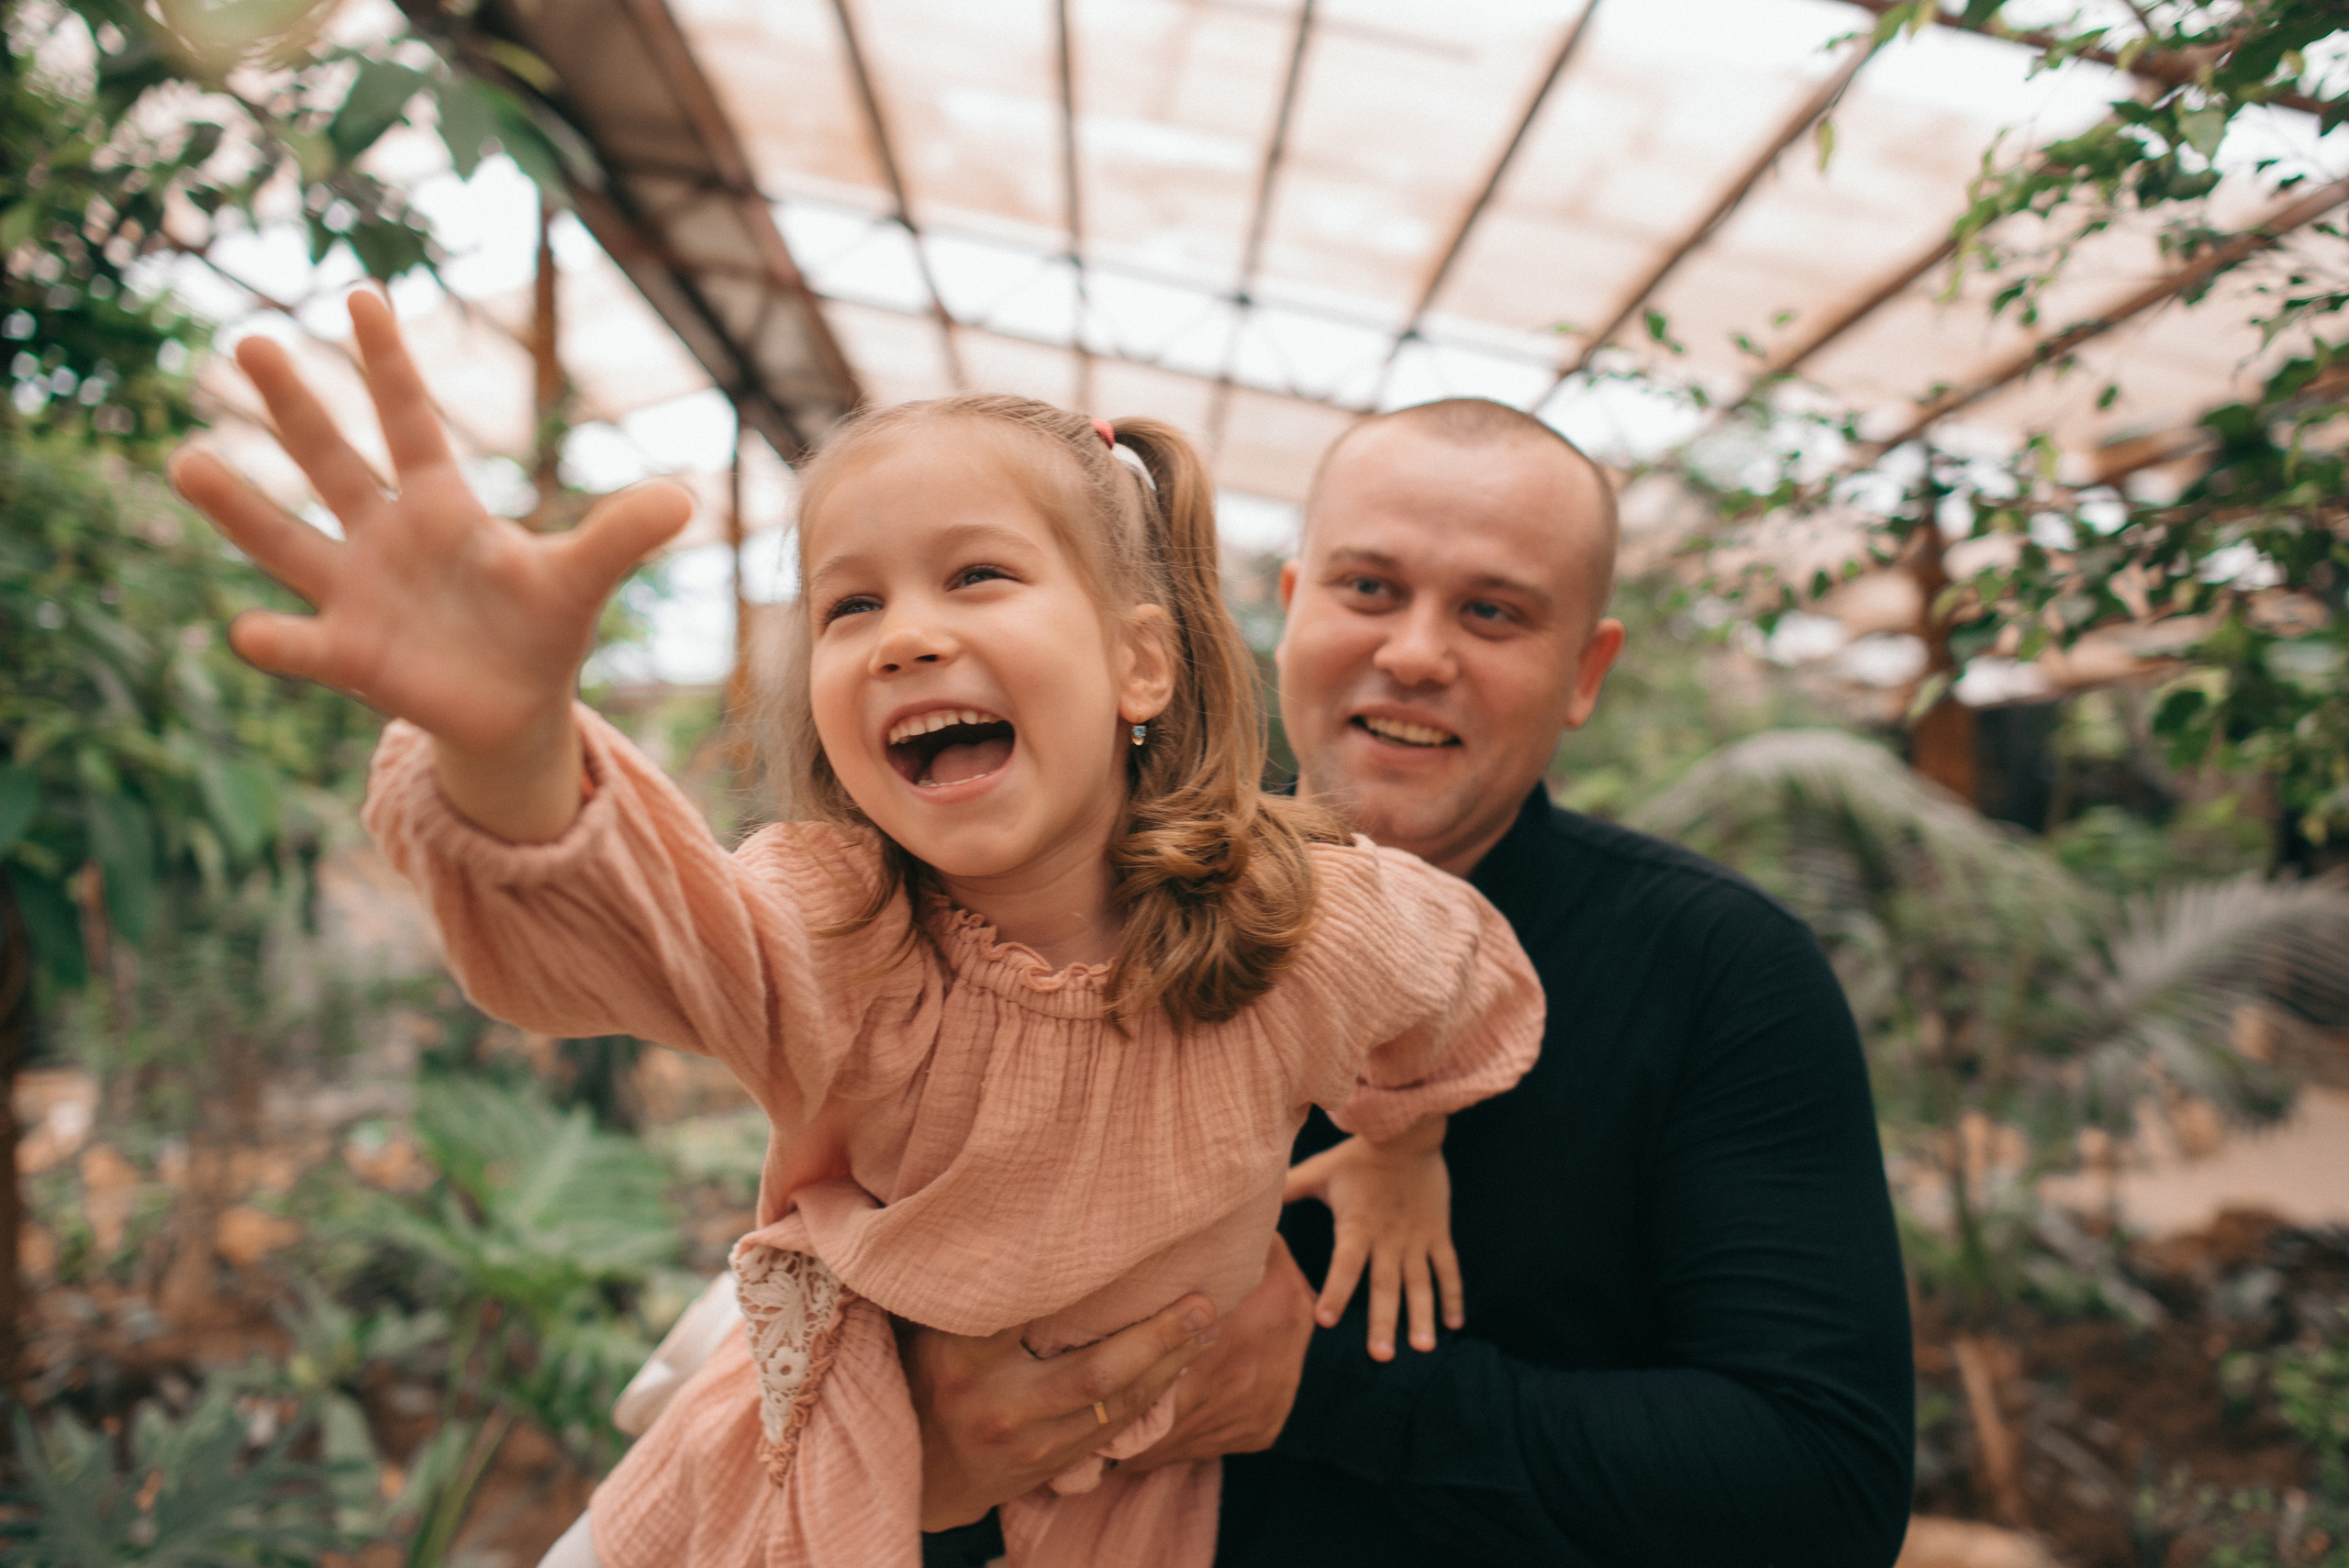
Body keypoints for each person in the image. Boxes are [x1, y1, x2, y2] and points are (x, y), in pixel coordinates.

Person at [167, 295, 1545, 1568]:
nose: (903, 638)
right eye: (851, 604)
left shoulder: (1307, 919)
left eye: (978, 575)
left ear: (1142, 661)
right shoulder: (840, 924)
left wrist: (1398, 1139)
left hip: (1139, 1473)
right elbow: (625, 936)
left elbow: (1464, 988)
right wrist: (514, 748)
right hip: (813, 1445)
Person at [907, 397, 1917, 1567]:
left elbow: (1821, 1487)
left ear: (1585, 670)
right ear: (1290, 612)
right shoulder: (1046, 919)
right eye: (1369, 589)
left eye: (1491, 612)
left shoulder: (1714, 970)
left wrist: (1316, 1386)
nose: (1416, 653)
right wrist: (929, 1451)